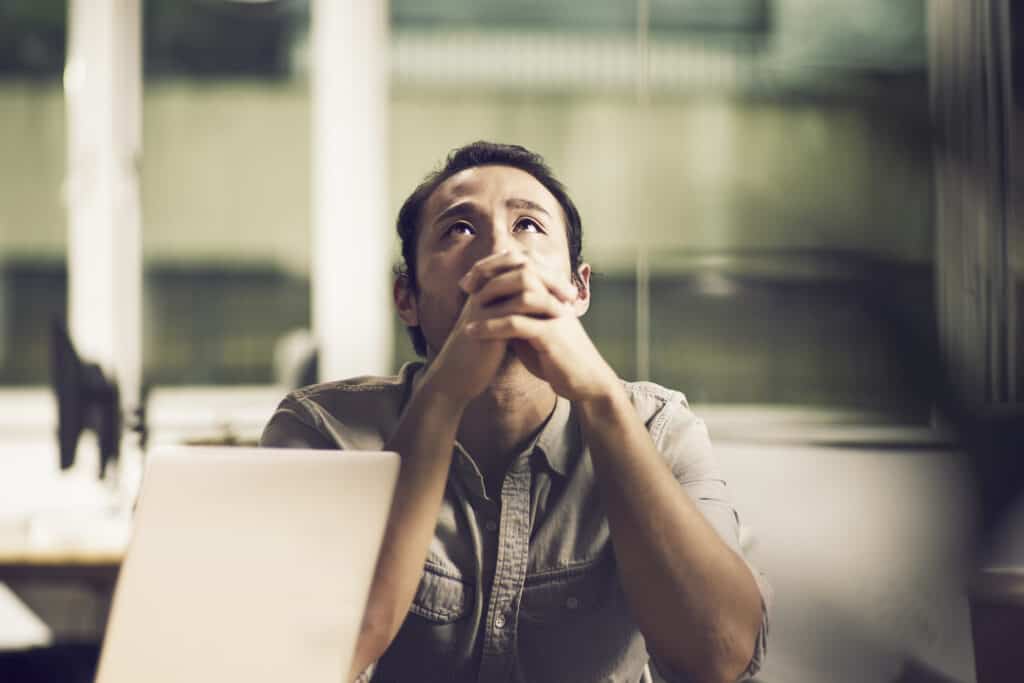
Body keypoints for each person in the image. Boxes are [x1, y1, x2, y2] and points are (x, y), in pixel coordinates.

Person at [261, 141, 770, 683]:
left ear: (578, 290)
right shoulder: (321, 431)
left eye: (528, 225)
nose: (501, 251)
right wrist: (444, 396)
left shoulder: (661, 428)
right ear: (406, 297)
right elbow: (308, 659)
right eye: (458, 229)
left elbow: (721, 657)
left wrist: (599, 398)